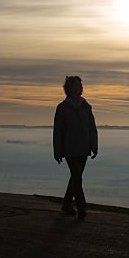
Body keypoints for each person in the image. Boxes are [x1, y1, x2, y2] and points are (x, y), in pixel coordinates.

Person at [53, 75, 98, 218]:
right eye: (79, 85)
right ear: (71, 89)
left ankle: (66, 205)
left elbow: (92, 128)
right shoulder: (62, 108)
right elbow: (58, 131)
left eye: (81, 85)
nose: (82, 87)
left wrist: (94, 145)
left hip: (84, 148)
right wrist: (58, 151)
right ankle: (81, 207)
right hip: (70, 149)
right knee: (77, 177)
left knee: (75, 177)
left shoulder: (86, 107)